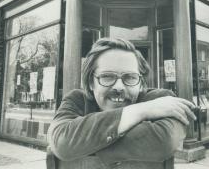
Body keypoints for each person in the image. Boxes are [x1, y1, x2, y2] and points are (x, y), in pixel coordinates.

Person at [47, 37, 196, 169]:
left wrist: (82, 144)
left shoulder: (163, 100)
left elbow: (165, 142)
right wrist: (142, 110)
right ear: (91, 83)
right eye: (107, 77)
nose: (119, 87)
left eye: (130, 77)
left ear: (141, 83)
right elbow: (61, 141)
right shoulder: (76, 100)